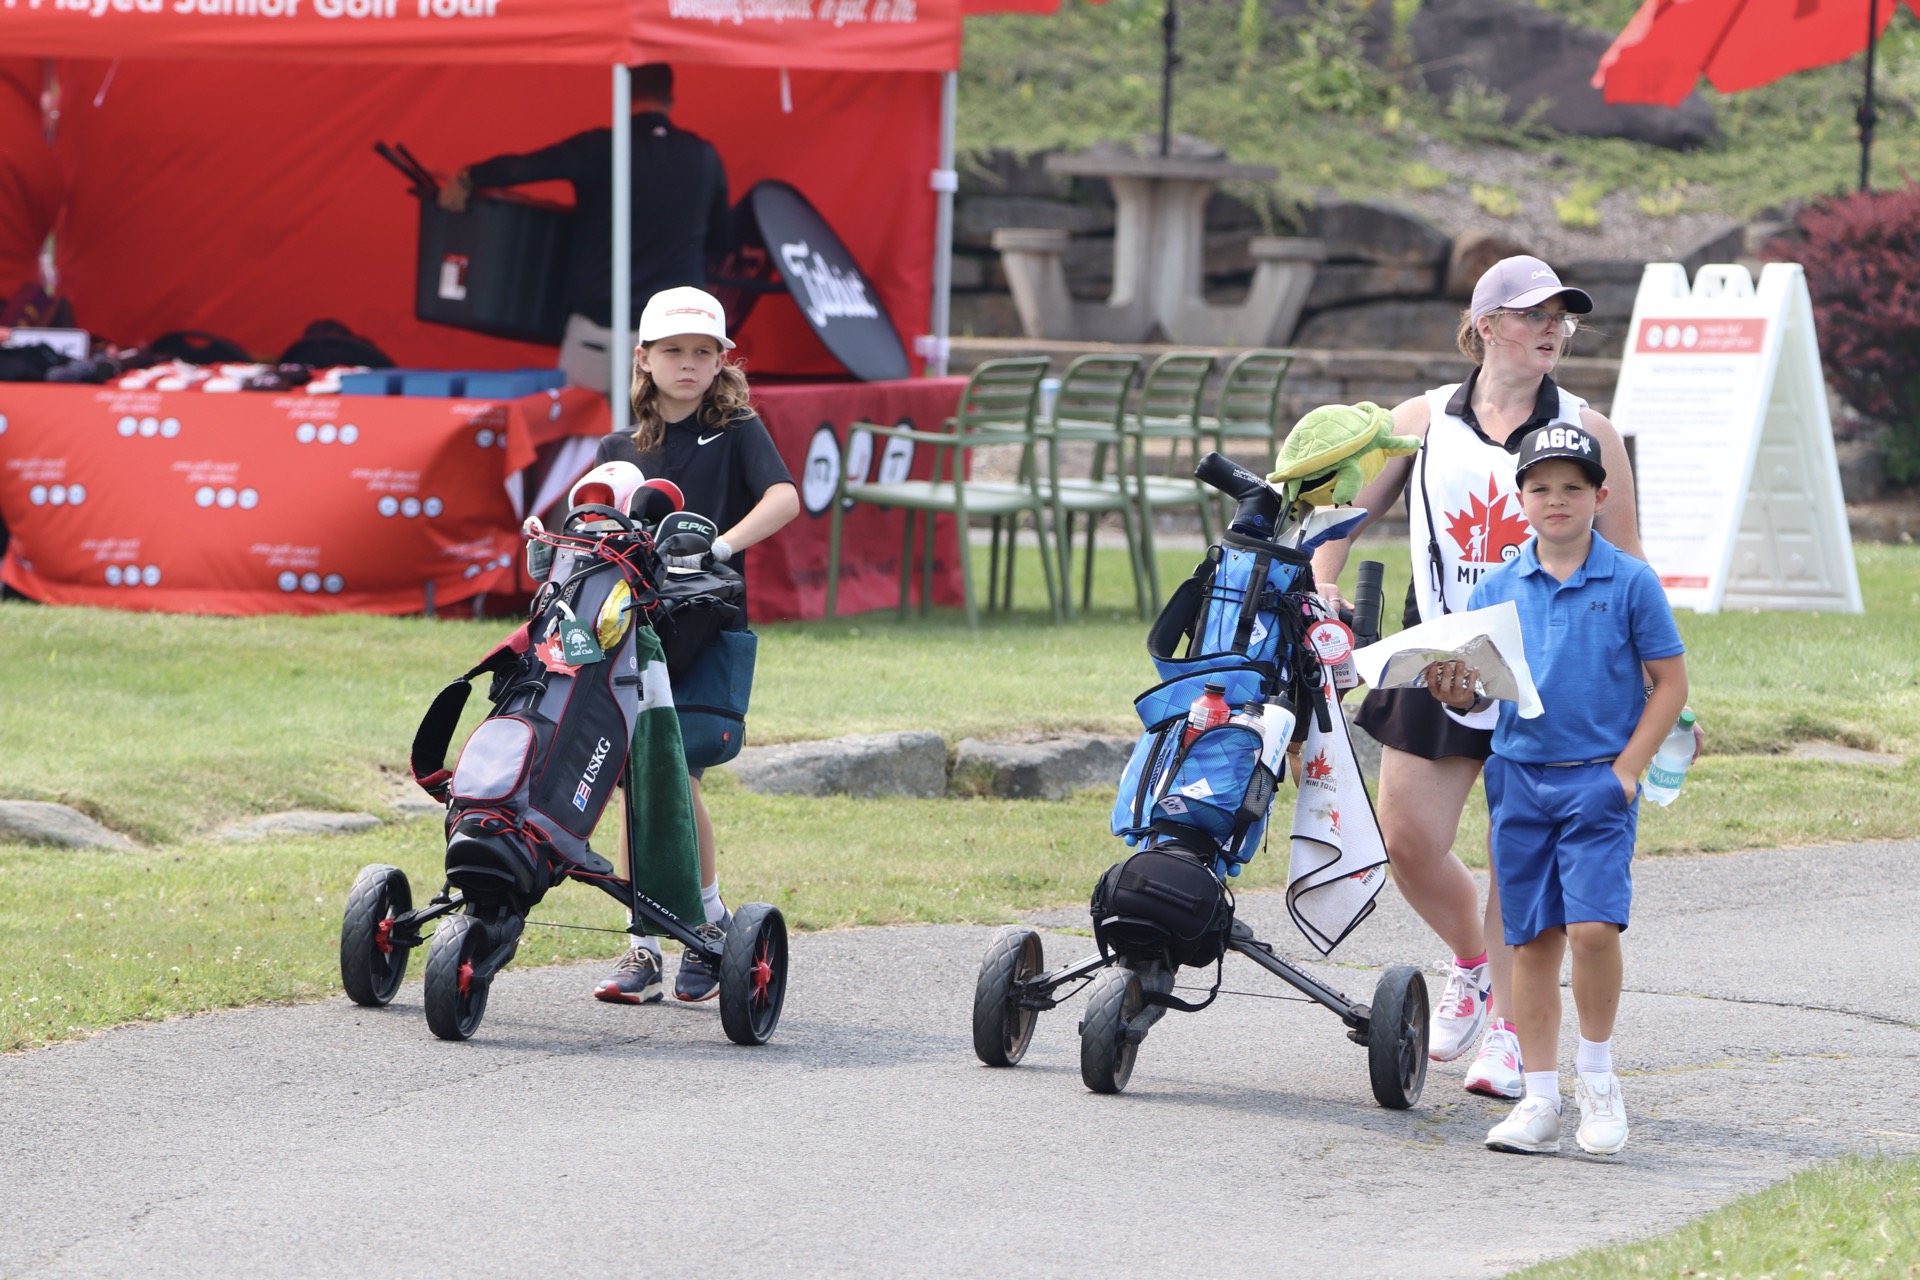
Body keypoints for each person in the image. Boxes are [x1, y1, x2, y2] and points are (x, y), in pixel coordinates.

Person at [1309, 255, 1646, 1101]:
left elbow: (1629, 558)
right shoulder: (1421, 420)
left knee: (1515, 852)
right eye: (1534, 314)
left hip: (1555, 669)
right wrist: (1323, 580)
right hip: (1443, 656)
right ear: (1486, 324)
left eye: (1561, 317)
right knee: (1408, 841)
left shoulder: (1588, 429)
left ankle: (1509, 1032)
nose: (1552, 329)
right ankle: (1473, 966)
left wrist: (1651, 679)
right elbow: (1343, 516)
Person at [1424, 421, 1688, 1156]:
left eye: (1573, 486)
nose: (1557, 499)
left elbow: (1670, 684)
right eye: (1540, 487)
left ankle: (1598, 1079)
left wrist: (1626, 772)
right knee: (1533, 942)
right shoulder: (1498, 589)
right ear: (1521, 500)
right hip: (1518, 782)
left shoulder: (1630, 581)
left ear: (1600, 496)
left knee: (1594, 929)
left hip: (1597, 782)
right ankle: (1539, 1100)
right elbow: (1479, 691)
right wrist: (1457, 692)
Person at [591, 286, 798, 1005]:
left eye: (702, 352)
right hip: (632, 633)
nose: (687, 364)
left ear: (720, 362)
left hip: (707, 632)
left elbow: (782, 497)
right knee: (634, 787)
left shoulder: (737, 431)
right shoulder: (619, 449)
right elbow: (592, 526)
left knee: (676, 778)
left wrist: (719, 546)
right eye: (673, 351)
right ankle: (645, 947)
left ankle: (706, 926)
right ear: (644, 359)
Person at [439, 63, 732, 394]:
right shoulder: (705, 156)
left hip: (598, 330)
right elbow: (722, 239)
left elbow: (523, 168)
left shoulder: (599, 147)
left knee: (583, 426)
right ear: (671, 99)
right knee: (671, 427)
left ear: (624, 95)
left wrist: (469, 177)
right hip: (675, 333)